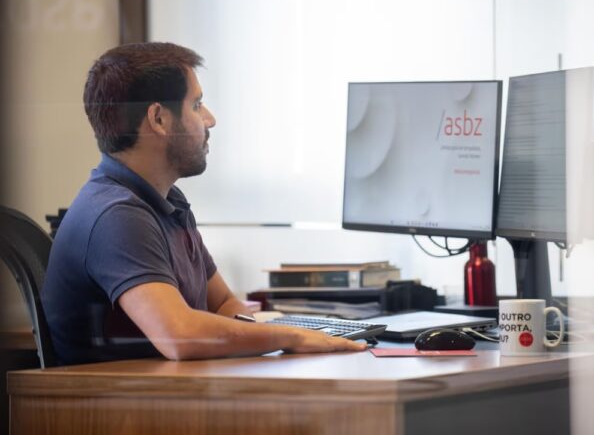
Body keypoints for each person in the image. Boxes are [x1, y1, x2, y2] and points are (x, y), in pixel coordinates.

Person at [41, 42, 365, 365]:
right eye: (196, 105)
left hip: (164, 394)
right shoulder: (117, 215)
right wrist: (291, 336)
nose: (210, 120)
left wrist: (259, 336)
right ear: (159, 119)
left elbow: (223, 302)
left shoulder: (167, 201)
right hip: (118, 409)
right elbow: (179, 335)